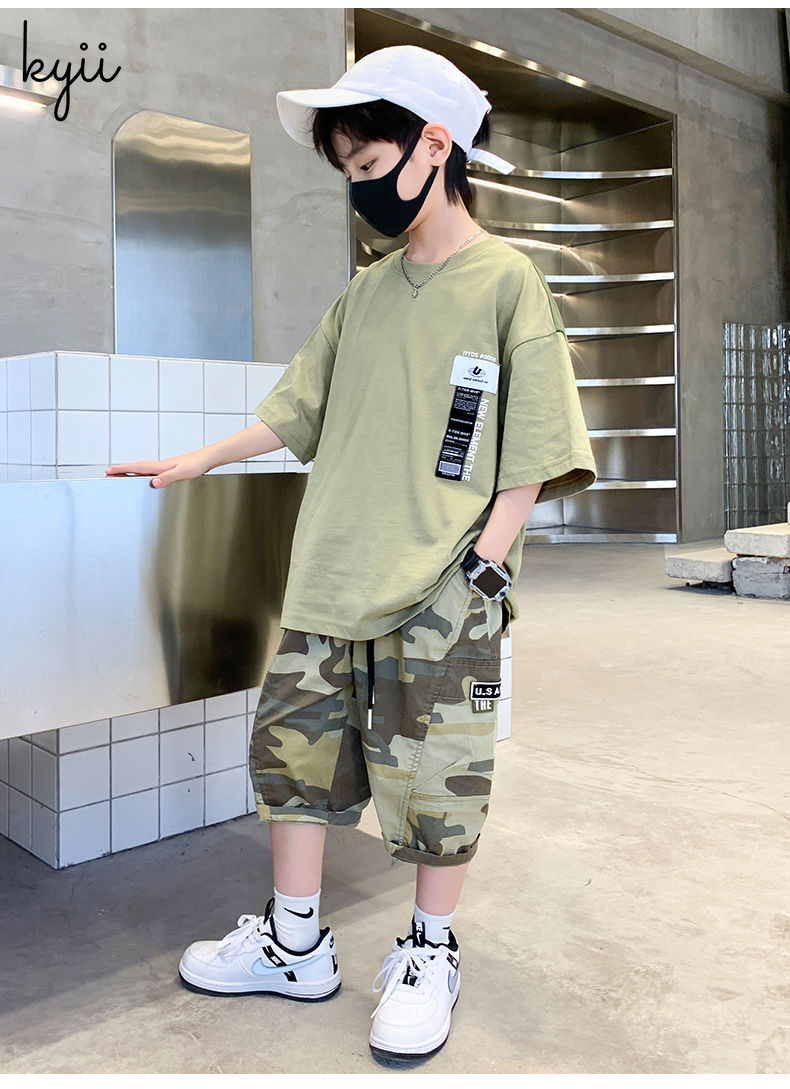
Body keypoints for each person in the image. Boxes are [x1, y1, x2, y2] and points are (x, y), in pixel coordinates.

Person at [106, 44, 597, 1063]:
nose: (360, 189)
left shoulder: (508, 284)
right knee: (294, 767)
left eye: (369, 166)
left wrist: (485, 569)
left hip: (441, 586)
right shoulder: (362, 295)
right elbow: (296, 408)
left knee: (438, 780)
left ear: (435, 146)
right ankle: (293, 946)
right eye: (347, 173)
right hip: (328, 578)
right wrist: (198, 457)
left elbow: (537, 447)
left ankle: (428, 951)